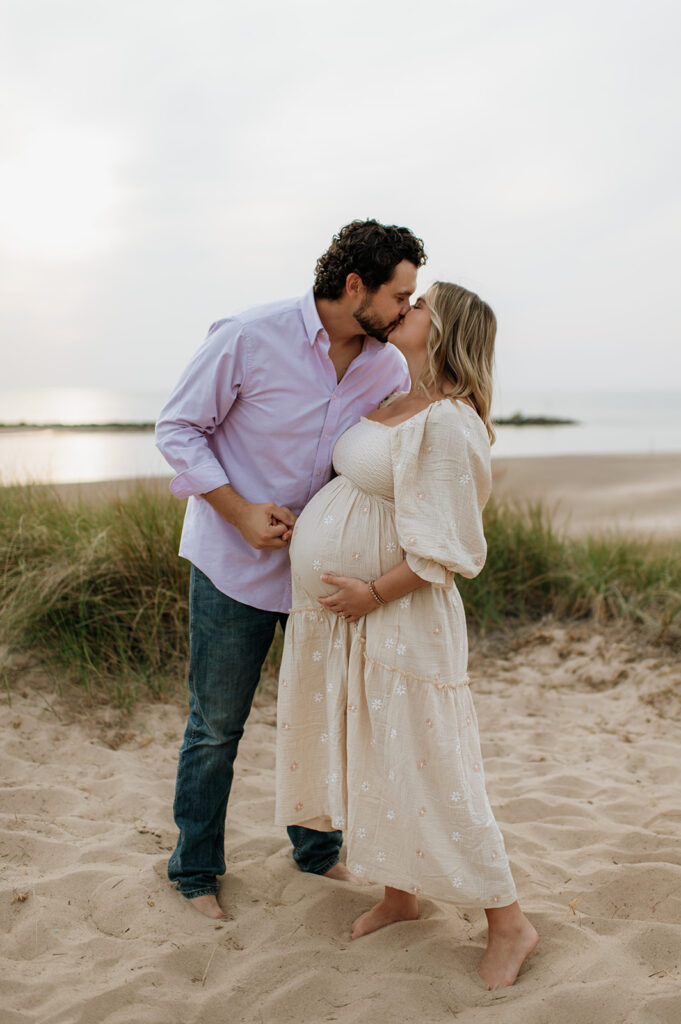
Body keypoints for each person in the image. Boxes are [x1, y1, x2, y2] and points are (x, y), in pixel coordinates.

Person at [155, 219, 427, 918]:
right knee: (216, 725)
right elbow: (178, 429)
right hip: (232, 568)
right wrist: (240, 510)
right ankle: (194, 871)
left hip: (320, 581)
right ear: (353, 284)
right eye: (400, 295)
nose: (405, 309)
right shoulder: (249, 336)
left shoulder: (386, 365)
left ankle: (314, 852)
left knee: (319, 715)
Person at [275, 282, 538, 987]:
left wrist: (370, 591)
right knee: (374, 755)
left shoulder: (451, 423)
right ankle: (399, 893)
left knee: (432, 760)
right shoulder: (396, 399)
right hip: (352, 623)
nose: (405, 308)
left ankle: (509, 922)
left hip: (400, 619)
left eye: (420, 303)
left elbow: (450, 549)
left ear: (444, 330)